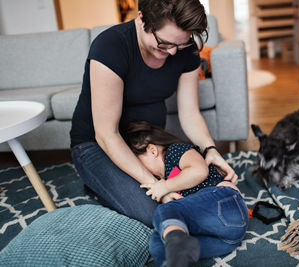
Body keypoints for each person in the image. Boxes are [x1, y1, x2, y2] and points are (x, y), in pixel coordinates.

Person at [69, 0, 238, 228]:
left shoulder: (184, 49)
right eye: (164, 44)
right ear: (141, 19)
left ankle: (110, 183)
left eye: (180, 44)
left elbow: (189, 113)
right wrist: (155, 186)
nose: (172, 52)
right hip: (97, 145)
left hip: (150, 143)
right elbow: (106, 135)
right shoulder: (111, 46)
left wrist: (210, 149)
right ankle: (97, 179)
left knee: (198, 186)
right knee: (156, 212)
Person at [124, 121, 248, 267]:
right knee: (158, 244)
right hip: (226, 239)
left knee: (166, 210)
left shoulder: (174, 151)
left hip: (224, 202)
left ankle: (178, 243)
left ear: (152, 150)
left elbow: (199, 170)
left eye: (139, 164)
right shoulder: (164, 181)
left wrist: (165, 186)